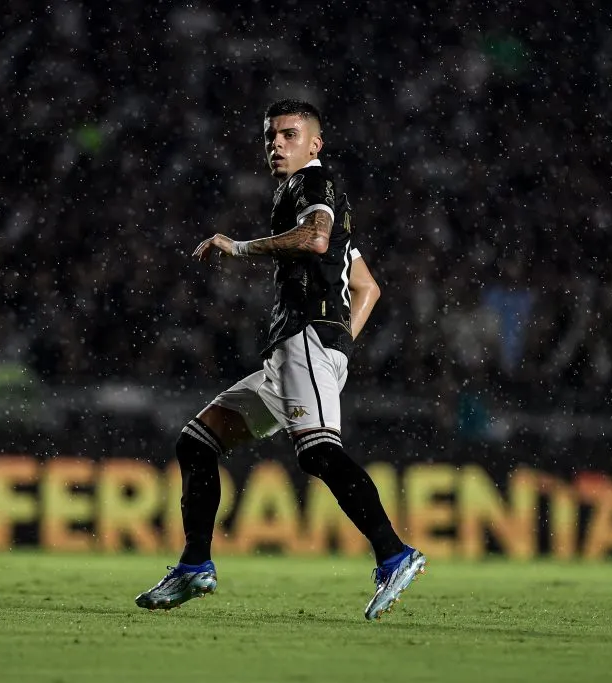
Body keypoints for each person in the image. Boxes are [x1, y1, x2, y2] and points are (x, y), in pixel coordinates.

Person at [135, 99, 425, 621]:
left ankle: (394, 553)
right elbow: (367, 287)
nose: (276, 145)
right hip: (298, 349)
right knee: (196, 442)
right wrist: (341, 344)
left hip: (303, 340)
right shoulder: (318, 198)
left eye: (289, 135)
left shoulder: (311, 185)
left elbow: (315, 240)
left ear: (315, 144)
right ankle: (195, 564)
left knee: (317, 454)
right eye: (271, 136)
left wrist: (240, 248)